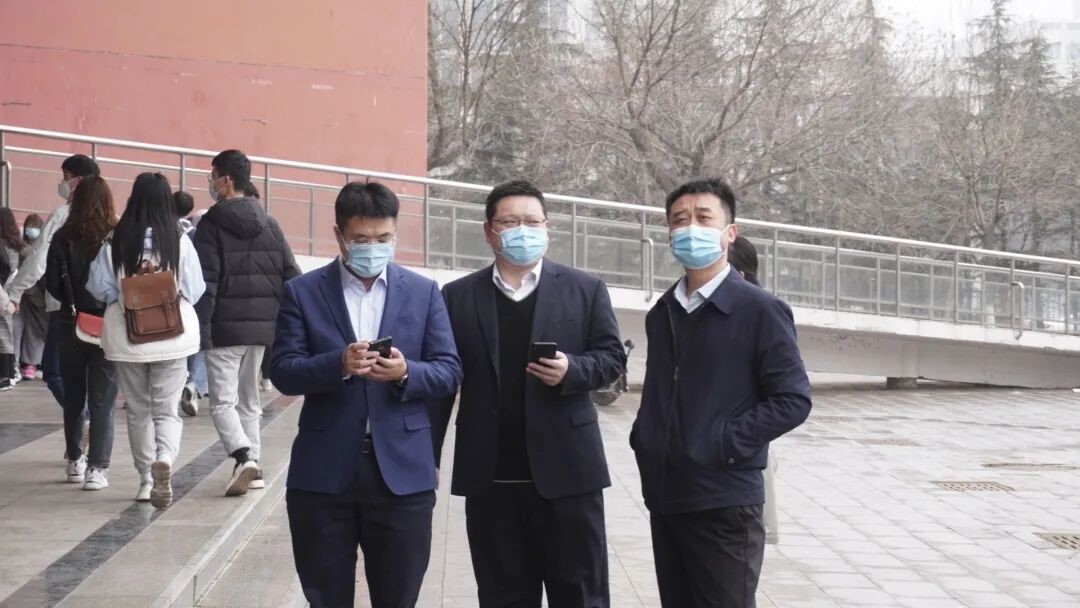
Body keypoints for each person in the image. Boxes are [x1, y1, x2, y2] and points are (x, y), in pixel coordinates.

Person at [270, 181, 462, 608]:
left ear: (395, 233)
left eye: (383, 238)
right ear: (339, 235)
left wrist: (406, 371)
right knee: (326, 595)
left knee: (398, 595)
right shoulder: (303, 292)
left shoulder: (423, 291)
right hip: (324, 472)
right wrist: (337, 364)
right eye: (361, 239)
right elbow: (282, 371)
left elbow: (449, 371)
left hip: (402, 474)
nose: (373, 248)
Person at [436, 180, 626, 608]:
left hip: (569, 478)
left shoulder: (585, 288)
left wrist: (572, 369)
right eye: (509, 222)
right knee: (502, 596)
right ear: (489, 232)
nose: (522, 230)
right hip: (491, 481)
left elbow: (612, 358)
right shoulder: (458, 296)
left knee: (580, 595)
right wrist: (425, 460)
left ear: (547, 228)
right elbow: (443, 379)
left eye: (532, 221)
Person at [631, 178, 811, 608]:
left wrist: (720, 441)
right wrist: (646, 439)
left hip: (725, 499)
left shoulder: (760, 309)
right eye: (679, 220)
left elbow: (793, 400)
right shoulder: (663, 311)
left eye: (703, 217)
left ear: (730, 232)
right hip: (666, 493)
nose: (690, 227)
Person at [88, 172, 206, 509]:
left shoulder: (116, 239)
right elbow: (195, 289)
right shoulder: (178, 239)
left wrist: (129, 291)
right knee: (166, 410)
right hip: (172, 336)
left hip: (129, 337)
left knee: (138, 411)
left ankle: (145, 480)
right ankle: (164, 458)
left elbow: (98, 287)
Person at [194, 150, 300, 497]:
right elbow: (292, 276)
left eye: (213, 175)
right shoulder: (270, 224)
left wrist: (202, 329)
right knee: (249, 401)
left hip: (224, 327)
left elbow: (206, 283)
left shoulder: (210, 225)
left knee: (222, 403)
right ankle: (253, 468)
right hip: (262, 330)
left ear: (225, 181)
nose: (210, 181)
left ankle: (243, 457)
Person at [44, 176, 119, 489]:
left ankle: (75, 460)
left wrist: (72, 302)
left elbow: (51, 283)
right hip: (107, 323)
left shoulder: (63, 236)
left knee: (74, 396)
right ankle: (97, 469)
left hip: (70, 321)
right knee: (103, 400)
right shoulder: (115, 235)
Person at [9, 155, 101, 405]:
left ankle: (83, 416)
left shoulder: (64, 215)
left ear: (77, 181)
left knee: (54, 371)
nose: (62, 183)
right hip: (99, 304)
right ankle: (92, 417)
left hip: (66, 305)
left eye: (65, 177)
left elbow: (39, 259)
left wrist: (15, 291)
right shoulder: (108, 216)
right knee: (91, 371)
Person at [174, 191, 207, 416]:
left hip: (155, 305)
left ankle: (181, 384)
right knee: (197, 346)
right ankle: (192, 383)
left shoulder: (145, 231)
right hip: (191, 300)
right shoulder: (193, 235)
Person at [14, 213, 47, 381]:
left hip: (33, 296)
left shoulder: (40, 249)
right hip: (24, 295)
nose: (31, 230)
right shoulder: (21, 247)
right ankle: (22, 363)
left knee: (33, 331)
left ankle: (29, 364)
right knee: (18, 328)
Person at [0, 208, 22, 391]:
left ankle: (5, 375)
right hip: (10, 295)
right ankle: (8, 373)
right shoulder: (15, 246)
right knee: (6, 333)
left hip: (3, 295)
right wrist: (14, 298)